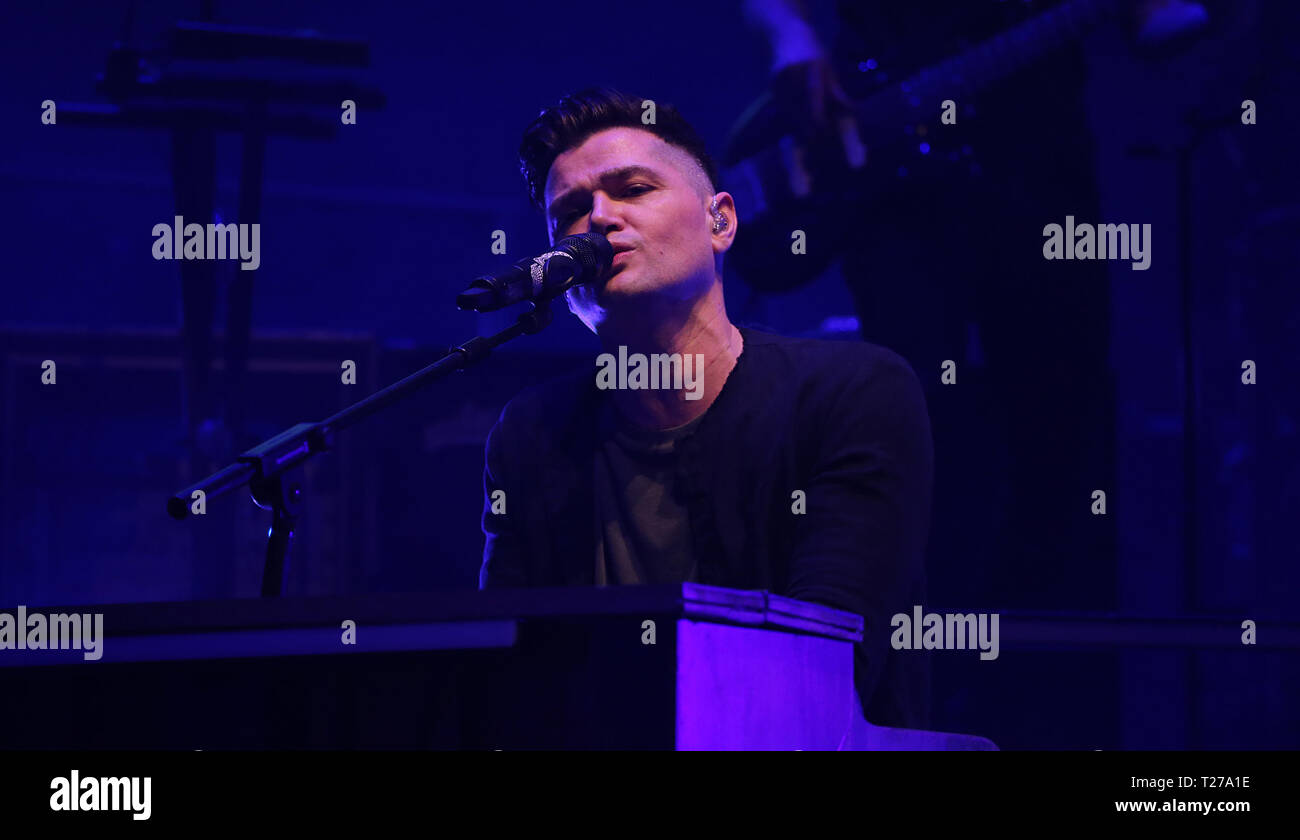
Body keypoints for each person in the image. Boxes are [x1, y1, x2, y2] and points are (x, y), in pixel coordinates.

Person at [478, 88, 934, 729]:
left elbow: (825, 659)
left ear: (721, 221)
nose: (600, 219)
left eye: (633, 189)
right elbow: (506, 667)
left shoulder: (851, 393)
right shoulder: (531, 435)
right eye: (572, 210)